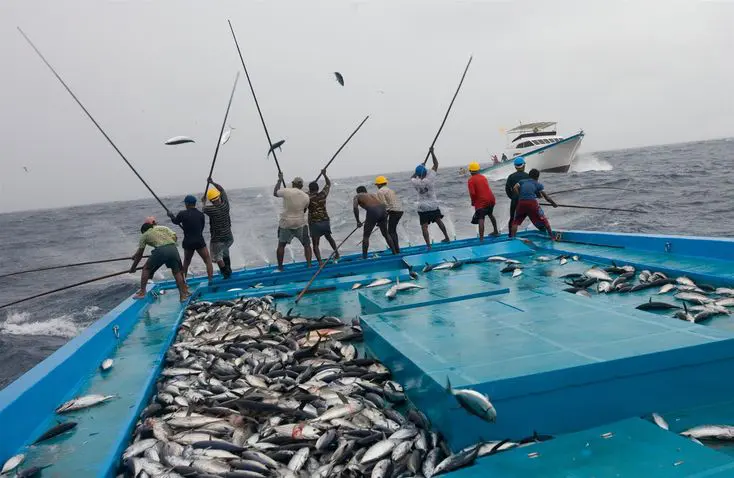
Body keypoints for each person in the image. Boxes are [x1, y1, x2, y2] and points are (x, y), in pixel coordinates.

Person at [129, 217, 189, 302]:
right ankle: (183, 296)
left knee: (146, 268)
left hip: (161, 250)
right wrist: (136, 255)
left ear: (143, 231)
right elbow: (174, 237)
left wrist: (133, 268)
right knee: (176, 272)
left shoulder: (144, 235)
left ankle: (142, 292)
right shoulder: (160, 229)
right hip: (173, 248)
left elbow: (140, 255)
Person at [167, 195, 214, 282]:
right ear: (194, 204)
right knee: (207, 260)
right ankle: (210, 279)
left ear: (187, 204)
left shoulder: (182, 213)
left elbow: (175, 221)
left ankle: (183, 282)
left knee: (186, 262)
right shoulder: (201, 215)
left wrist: (171, 216)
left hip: (188, 242)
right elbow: (201, 227)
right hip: (199, 241)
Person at [411, 148, 450, 249]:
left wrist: (420, 167)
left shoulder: (415, 181)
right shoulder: (430, 178)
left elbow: (412, 176)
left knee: (424, 226)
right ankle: (447, 237)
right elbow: (436, 164)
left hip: (422, 207)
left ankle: (428, 246)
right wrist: (432, 153)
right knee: (438, 220)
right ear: (425, 172)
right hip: (433, 205)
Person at [274, 173, 312, 270]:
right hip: (300, 223)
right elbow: (304, 210)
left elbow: (275, 192)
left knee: (281, 245)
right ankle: (309, 265)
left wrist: (279, 180)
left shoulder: (286, 191)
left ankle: (280, 267)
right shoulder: (306, 197)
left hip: (286, 223)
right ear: (302, 186)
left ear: (293, 184)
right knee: (306, 244)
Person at [509, 168, 558, 238]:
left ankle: (513, 238)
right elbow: (547, 197)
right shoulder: (538, 184)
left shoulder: (522, 181)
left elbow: (515, 188)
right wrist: (554, 204)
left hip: (521, 203)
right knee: (544, 220)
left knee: (515, 222)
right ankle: (552, 237)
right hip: (532, 203)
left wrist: (519, 196)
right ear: (537, 177)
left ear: (529, 175)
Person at [202, 178, 233, 279]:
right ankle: (228, 269)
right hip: (229, 237)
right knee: (225, 252)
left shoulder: (210, 209)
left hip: (218, 239)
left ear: (211, 200)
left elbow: (203, 208)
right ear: (219, 197)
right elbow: (222, 189)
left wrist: (203, 201)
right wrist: (212, 182)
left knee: (217, 257)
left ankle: (226, 273)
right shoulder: (225, 205)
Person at [353, 186, 396, 259]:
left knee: (366, 236)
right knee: (386, 234)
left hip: (373, 212)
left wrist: (358, 221)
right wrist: (379, 219)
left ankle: (364, 257)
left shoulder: (357, 196)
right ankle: (394, 253)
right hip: (383, 210)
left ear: (358, 192)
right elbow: (383, 204)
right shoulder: (373, 195)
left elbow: (355, 207)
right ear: (366, 191)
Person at [308, 169, 340, 265]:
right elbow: (328, 184)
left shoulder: (307, 197)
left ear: (310, 189)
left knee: (315, 244)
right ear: (318, 188)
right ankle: (337, 253)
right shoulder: (322, 195)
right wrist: (324, 175)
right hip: (325, 221)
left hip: (315, 223)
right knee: (329, 237)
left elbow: (300, 197)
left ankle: (320, 262)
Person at [467, 162, 499, 241]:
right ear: (478, 170)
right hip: (491, 199)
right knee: (490, 214)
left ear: (470, 171)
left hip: (481, 202)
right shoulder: (483, 177)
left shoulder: (470, 180)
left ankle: (481, 239)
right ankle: (496, 231)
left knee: (481, 218)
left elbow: (472, 193)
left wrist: (473, 202)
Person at [374, 175, 404, 253]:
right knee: (393, 231)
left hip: (394, 211)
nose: (377, 186)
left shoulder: (380, 192)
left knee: (391, 232)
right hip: (399, 211)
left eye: (377, 184)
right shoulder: (389, 190)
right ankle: (397, 249)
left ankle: (396, 251)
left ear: (380, 184)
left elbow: (384, 205)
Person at [505, 156, 531, 233]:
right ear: (523, 165)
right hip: (526, 200)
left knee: (512, 218)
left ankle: (511, 236)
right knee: (533, 216)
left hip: (515, 200)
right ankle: (543, 230)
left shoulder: (511, 176)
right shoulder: (528, 176)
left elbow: (507, 189)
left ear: (515, 167)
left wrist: (512, 197)